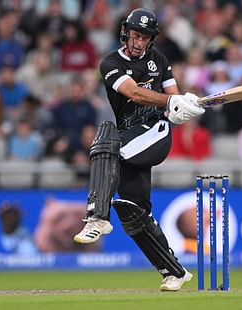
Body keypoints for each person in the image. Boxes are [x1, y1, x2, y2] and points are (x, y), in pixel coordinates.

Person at [73, 8, 204, 291]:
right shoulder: (109, 64)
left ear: (151, 39)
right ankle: (174, 271)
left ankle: (97, 216)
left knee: (107, 139)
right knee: (135, 211)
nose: (137, 42)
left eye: (143, 37)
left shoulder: (161, 61)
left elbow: (173, 101)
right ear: (125, 34)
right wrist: (171, 103)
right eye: (133, 35)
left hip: (156, 133)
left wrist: (181, 108)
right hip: (130, 137)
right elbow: (133, 92)